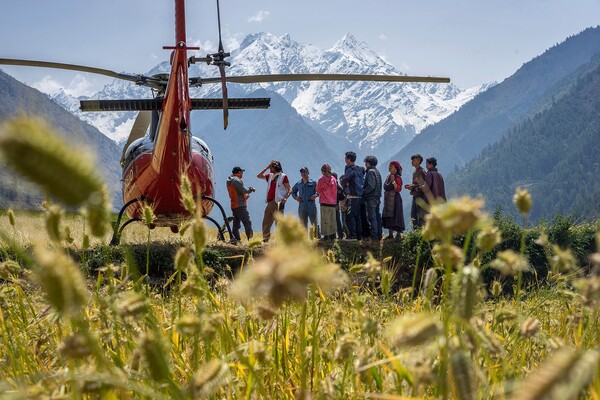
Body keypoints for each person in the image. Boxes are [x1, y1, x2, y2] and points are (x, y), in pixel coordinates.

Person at [257, 160, 292, 243]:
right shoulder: (270, 176)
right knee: (266, 221)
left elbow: (289, 189)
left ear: (276, 167)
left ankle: (281, 240)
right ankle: (266, 240)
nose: (270, 168)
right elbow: (259, 176)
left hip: (279, 202)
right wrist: (266, 167)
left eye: (271, 166)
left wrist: (285, 198)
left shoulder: (283, 176)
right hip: (270, 202)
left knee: (279, 223)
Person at [226, 166, 255, 244]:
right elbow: (243, 190)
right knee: (247, 222)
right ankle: (251, 241)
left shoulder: (230, 180)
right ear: (238, 172)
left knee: (236, 224)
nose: (242, 173)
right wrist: (250, 190)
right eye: (242, 172)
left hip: (234, 205)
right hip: (240, 206)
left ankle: (237, 240)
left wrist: (245, 197)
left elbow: (237, 193)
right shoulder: (236, 180)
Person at [339, 151, 364, 240]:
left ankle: (352, 235)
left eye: (346, 158)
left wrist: (343, 181)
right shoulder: (359, 169)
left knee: (351, 216)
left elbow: (343, 180)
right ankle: (359, 235)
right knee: (358, 217)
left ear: (349, 159)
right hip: (360, 196)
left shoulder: (350, 169)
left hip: (352, 196)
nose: (345, 160)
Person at [382, 161, 405, 239]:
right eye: (389, 166)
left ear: (395, 169)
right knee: (388, 216)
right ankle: (390, 234)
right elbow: (385, 186)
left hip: (395, 199)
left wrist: (393, 182)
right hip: (388, 199)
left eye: (391, 166)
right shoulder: (388, 176)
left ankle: (398, 234)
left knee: (396, 215)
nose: (389, 167)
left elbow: (398, 188)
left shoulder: (397, 177)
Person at [291, 166, 318, 234]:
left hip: (311, 206)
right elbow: (293, 191)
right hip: (302, 206)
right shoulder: (298, 184)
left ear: (308, 172)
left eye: (304, 172)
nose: (303, 173)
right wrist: (296, 197)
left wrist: (316, 195)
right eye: (301, 172)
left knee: (314, 223)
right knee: (302, 224)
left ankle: (317, 238)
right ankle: (304, 240)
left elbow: (319, 191)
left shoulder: (313, 182)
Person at [362, 155, 383, 241]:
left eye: (366, 162)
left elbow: (371, 185)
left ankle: (374, 237)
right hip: (377, 197)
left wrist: (364, 192)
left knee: (372, 217)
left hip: (371, 197)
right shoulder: (377, 172)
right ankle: (379, 235)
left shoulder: (370, 172)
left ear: (369, 163)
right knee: (377, 216)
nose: (365, 164)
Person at [316, 163, 338, 241]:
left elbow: (318, 190)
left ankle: (326, 236)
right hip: (333, 202)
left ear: (323, 172)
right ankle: (333, 235)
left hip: (324, 202)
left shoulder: (321, 180)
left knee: (325, 219)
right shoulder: (334, 179)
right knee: (332, 219)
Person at [404, 154, 427, 229]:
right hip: (415, 195)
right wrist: (411, 185)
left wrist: (413, 186)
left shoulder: (422, 171)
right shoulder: (415, 172)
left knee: (420, 215)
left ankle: (421, 234)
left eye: (414, 160)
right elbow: (417, 184)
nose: (412, 162)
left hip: (420, 196)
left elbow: (424, 185)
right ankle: (416, 233)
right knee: (413, 215)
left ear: (419, 161)